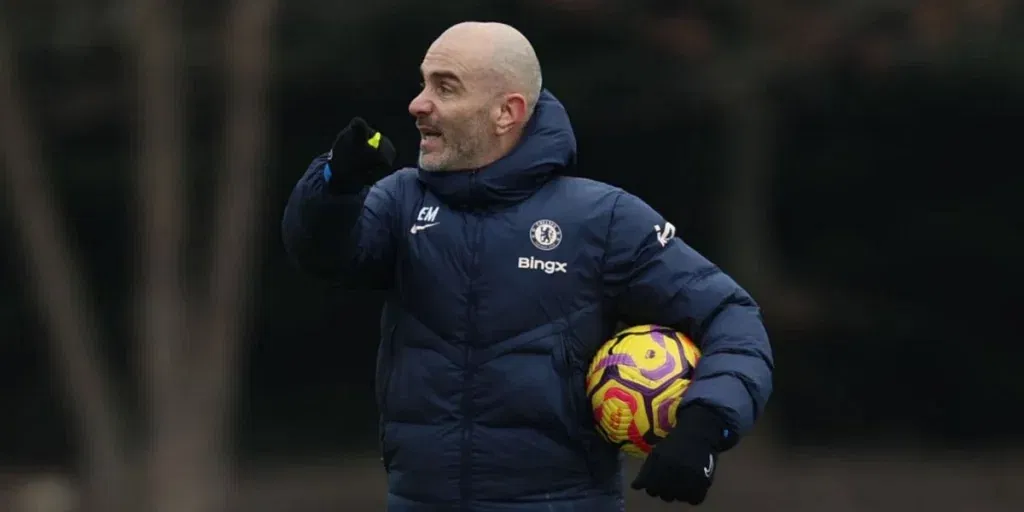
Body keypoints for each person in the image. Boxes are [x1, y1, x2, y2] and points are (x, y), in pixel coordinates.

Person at [282, 21, 773, 512]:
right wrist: (333, 185)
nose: (418, 103)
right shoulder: (399, 202)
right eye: (423, 82)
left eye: (444, 87)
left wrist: (705, 425)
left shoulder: (602, 219)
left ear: (506, 112)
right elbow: (322, 253)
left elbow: (732, 318)